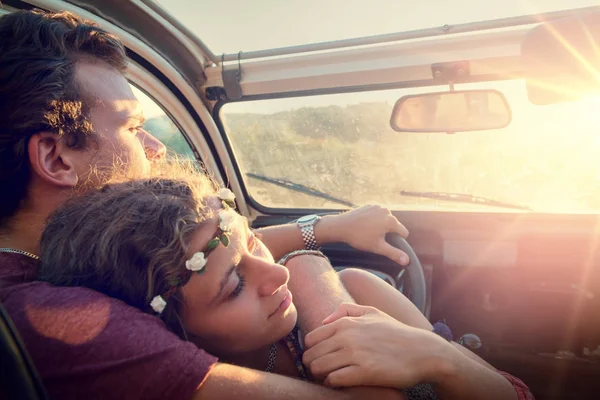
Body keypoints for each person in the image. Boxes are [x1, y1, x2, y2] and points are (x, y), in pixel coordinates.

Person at [0, 8, 531, 400]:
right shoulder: (56, 316)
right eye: (136, 129)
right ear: (55, 156)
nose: (157, 149)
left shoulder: (61, 268)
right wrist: (321, 291)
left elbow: (207, 255)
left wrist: (315, 235)